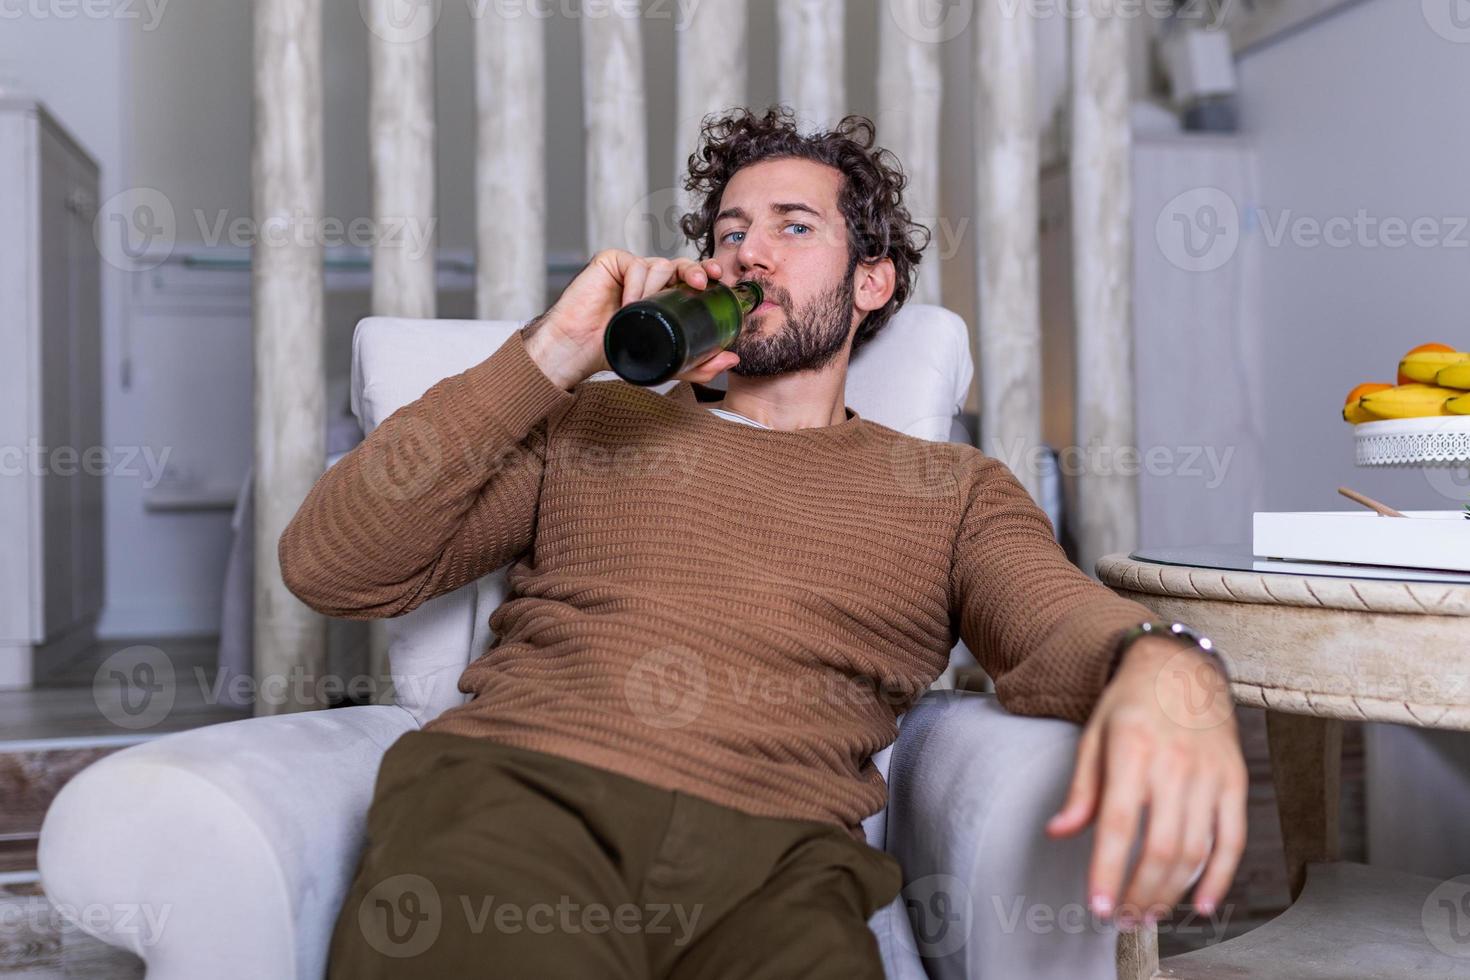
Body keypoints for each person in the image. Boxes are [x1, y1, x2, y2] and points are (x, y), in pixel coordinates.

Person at [280, 105, 1247, 978]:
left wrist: (1171, 667)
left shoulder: (949, 488)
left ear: (872, 281)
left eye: (794, 226)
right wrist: (554, 354)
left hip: (782, 868)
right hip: (520, 799)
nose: (750, 254)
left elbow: (1055, 622)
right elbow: (331, 564)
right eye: (730, 232)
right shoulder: (596, 423)